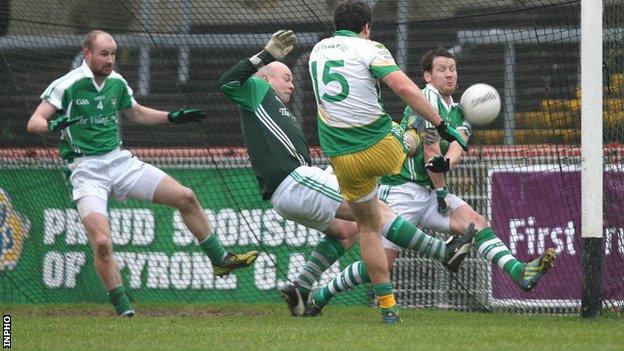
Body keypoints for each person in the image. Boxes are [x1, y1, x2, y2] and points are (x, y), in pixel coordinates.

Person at [218, 31, 475, 321]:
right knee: (376, 212)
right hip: (294, 181)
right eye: (285, 77)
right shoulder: (255, 90)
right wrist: (266, 55)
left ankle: (301, 286)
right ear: (265, 79)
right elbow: (226, 81)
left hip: (292, 189)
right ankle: (444, 252)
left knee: (349, 230)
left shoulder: (277, 108)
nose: (291, 83)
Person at [305, 48, 558, 315]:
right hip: (401, 189)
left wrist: (447, 165)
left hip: (430, 191)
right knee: (381, 265)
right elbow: (429, 149)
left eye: (452, 68)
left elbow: (458, 145)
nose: (449, 73)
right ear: (427, 76)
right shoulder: (426, 99)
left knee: (477, 224)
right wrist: (441, 187)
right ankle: (320, 296)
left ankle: (520, 272)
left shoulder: (461, 110)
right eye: (442, 69)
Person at [26, 30, 258, 317]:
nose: (110, 59)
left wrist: (172, 117)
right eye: (104, 54)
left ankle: (220, 259)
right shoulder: (68, 84)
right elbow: (34, 123)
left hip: (120, 162)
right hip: (85, 170)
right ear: (87, 54)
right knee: (101, 243)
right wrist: (53, 125)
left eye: (113, 54)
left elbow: (135, 113)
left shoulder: (117, 82)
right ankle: (125, 310)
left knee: (186, 196)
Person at [308, 0, 468, 323]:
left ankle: (388, 306)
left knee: (368, 228)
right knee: (412, 133)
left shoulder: (317, 51)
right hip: (380, 147)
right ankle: (411, 135)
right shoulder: (370, 48)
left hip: (340, 157)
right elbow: (402, 86)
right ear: (366, 27)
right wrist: (439, 123)